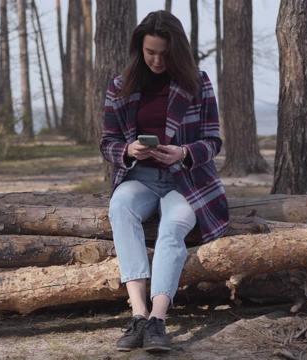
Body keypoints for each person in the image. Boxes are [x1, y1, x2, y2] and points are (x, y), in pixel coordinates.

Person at [99, 10, 230, 352]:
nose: (157, 60)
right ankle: (138, 314)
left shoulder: (197, 82)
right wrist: (128, 150)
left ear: (178, 51)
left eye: (164, 53)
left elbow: (213, 141)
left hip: (185, 181)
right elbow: (107, 142)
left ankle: (158, 320)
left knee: (173, 226)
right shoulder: (120, 85)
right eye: (150, 52)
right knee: (120, 207)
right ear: (139, 49)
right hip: (138, 177)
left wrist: (183, 153)